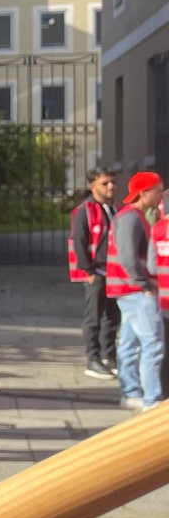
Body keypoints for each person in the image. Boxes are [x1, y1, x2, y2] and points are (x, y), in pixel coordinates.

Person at [106, 171, 164, 410]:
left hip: (127, 289)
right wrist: (145, 284)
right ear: (144, 193)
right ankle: (152, 400)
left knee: (129, 343)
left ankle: (131, 392)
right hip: (136, 290)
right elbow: (128, 256)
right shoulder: (131, 218)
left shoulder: (131, 216)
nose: (160, 195)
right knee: (153, 344)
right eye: (157, 190)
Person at [70, 168, 120, 380]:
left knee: (113, 316)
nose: (111, 187)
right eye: (105, 183)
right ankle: (93, 358)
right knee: (94, 317)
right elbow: (79, 241)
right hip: (96, 271)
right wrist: (88, 270)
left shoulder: (115, 208)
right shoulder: (85, 210)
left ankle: (111, 355)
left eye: (112, 183)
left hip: (112, 271)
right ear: (93, 186)